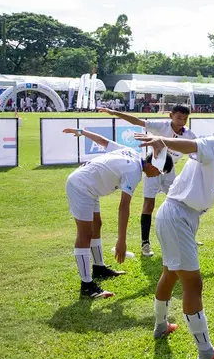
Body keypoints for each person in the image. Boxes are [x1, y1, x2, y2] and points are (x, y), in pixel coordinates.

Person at [135, 119, 214, 359]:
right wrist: (163, 141)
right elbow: (190, 146)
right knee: (193, 284)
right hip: (177, 214)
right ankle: (206, 352)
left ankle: (161, 326)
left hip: (181, 217)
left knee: (170, 274)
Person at [64, 127, 172, 299]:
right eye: (159, 172)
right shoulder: (134, 172)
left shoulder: (131, 153)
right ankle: (87, 285)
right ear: (153, 165)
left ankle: (99, 268)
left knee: (97, 225)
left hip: (90, 186)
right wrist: (121, 240)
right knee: (85, 233)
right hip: (81, 186)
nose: (157, 176)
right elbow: (124, 206)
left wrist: (82, 132)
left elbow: (103, 141)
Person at [98, 105, 196, 256]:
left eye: (185, 119)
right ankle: (145, 244)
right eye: (179, 117)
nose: (181, 121)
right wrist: (113, 112)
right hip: (153, 169)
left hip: (170, 171)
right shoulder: (161, 126)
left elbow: (200, 151)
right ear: (171, 116)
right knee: (148, 205)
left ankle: (187, 236)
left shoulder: (189, 135)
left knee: (181, 203)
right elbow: (137, 121)